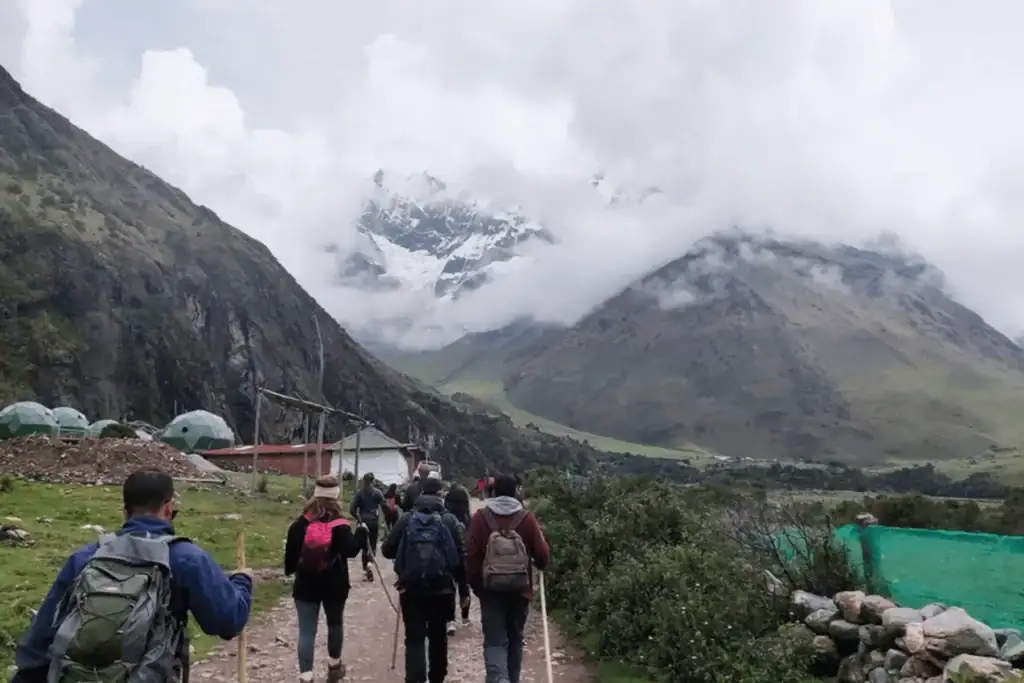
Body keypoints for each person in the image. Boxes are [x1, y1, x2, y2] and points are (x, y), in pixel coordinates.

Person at [12, 469, 253, 683]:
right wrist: (241, 581)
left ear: (125, 510)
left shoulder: (87, 556)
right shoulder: (186, 558)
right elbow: (227, 621)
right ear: (168, 507)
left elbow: (42, 635)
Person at [382, 476, 467, 683]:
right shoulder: (449, 520)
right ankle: (437, 678)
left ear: (421, 493)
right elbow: (460, 559)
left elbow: (386, 550)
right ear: (440, 494)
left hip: (411, 588)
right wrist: (464, 591)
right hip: (442, 589)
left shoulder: (407, 518)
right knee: (438, 637)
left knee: (414, 638)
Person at [467, 474, 551, 683]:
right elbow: (542, 556)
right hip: (519, 591)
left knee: (495, 642)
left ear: (492, 492)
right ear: (516, 492)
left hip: (490, 592)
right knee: (515, 640)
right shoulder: (526, 518)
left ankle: (498, 679)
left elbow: (469, 556)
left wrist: (479, 588)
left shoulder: (480, 518)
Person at [285, 475, 366, 683]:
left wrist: (294, 570)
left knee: (306, 632)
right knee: (335, 624)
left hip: (305, 585)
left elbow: (290, 558)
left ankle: (306, 676)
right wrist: (361, 534)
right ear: (337, 496)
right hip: (334, 585)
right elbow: (352, 551)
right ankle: (334, 666)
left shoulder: (300, 523)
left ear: (315, 494)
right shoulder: (340, 525)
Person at [350, 472, 387, 582]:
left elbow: (352, 510)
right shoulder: (377, 493)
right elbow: (384, 506)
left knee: (364, 547)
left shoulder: (359, 493)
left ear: (364, 481)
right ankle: (370, 563)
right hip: (373, 521)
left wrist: (358, 518)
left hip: (363, 522)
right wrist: (386, 517)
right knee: (372, 545)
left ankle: (366, 570)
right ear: (373, 481)